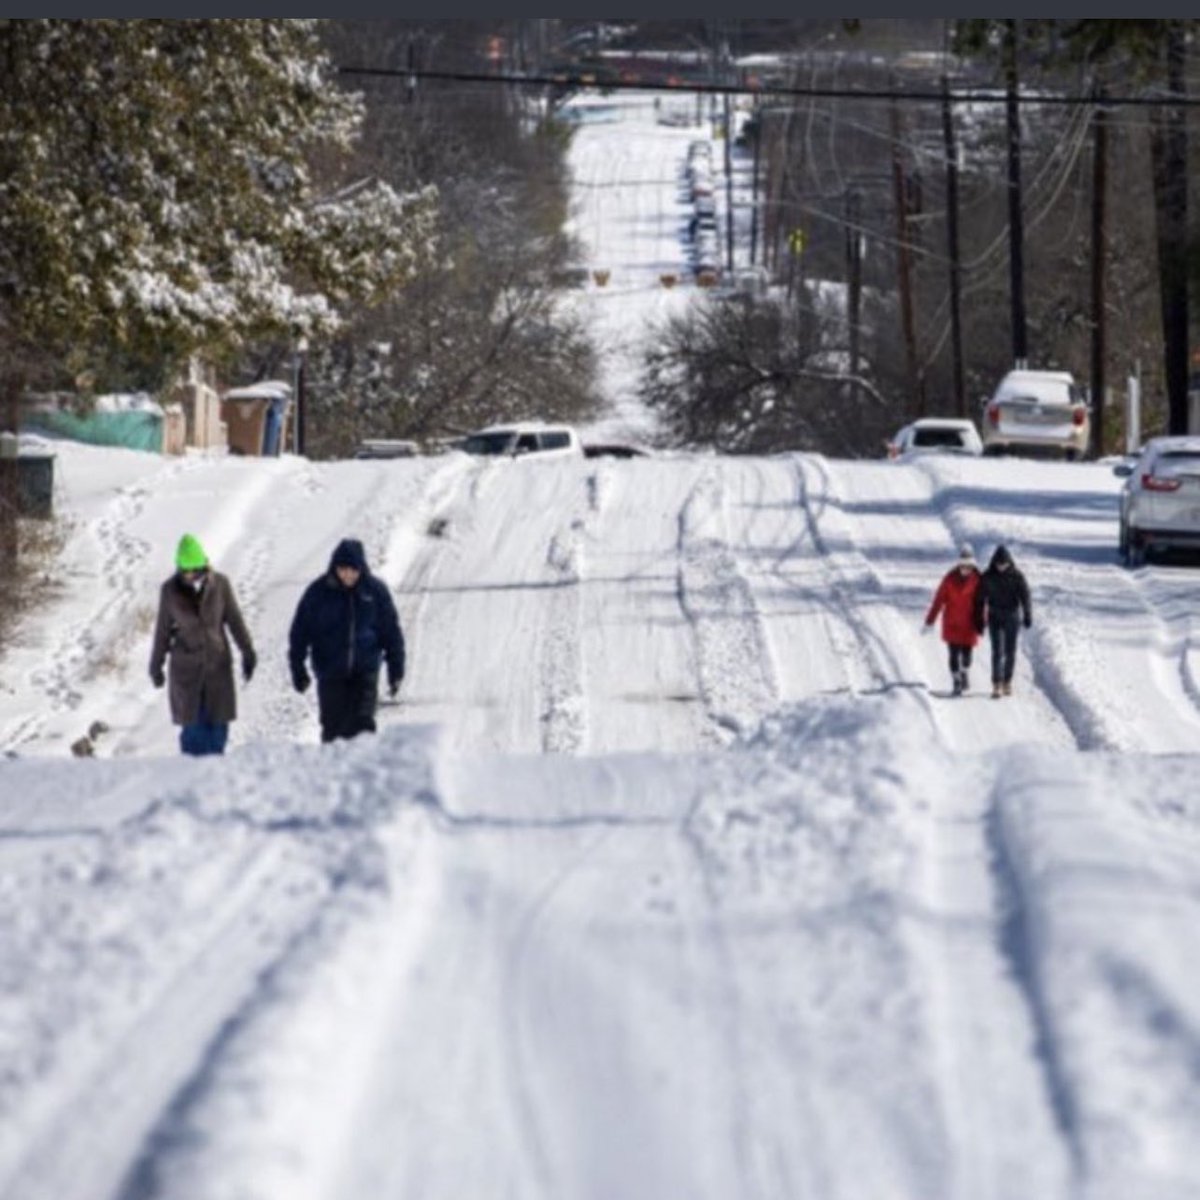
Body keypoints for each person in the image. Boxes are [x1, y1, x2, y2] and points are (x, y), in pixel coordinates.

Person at [288, 538, 405, 743]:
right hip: (330, 671)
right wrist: (298, 668)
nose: (347, 575)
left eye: (353, 570)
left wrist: (396, 668)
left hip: (365, 670)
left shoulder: (375, 592)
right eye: (343, 569)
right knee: (333, 729)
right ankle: (332, 772)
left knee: (363, 725)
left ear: (361, 569)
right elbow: (300, 632)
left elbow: (391, 632)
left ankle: (362, 771)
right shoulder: (318, 593)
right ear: (335, 567)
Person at [149, 533, 256, 755]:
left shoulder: (221, 585)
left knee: (218, 732)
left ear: (203, 565)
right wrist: (155, 666)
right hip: (187, 673)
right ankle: (192, 780)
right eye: (184, 571)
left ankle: (215, 781)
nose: (189, 576)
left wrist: (248, 652)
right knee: (194, 734)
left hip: (217, 668)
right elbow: (162, 631)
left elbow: (234, 620)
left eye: (193, 570)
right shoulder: (170, 591)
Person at [973, 543, 1032, 699]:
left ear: (1009, 562)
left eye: (1004, 564)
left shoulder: (1017, 576)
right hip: (995, 616)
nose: (1001, 567)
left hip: (1012, 616)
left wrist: (1027, 614)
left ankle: (1007, 681)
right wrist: (979, 619)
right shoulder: (987, 577)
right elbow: (979, 600)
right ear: (994, 562)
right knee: (997, 651)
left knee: (1010, 651)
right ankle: (996, 684)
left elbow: (1025, 597)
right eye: (999, 564)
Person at [923, 543, 981, 696]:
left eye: (968, 566)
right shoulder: (949, 579)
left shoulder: (978, 580)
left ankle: (964, 672)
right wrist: (930, 621)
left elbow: (983, 603)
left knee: (967, 657)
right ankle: (956, 682)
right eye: (963, 566)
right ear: (959, 564)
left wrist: (983, 621)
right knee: (954, 655)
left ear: (972, 565)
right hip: (952, 624)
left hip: (969, 625)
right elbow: (938, 600)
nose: (965, 569)